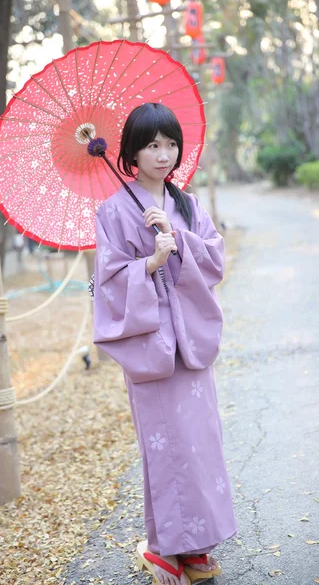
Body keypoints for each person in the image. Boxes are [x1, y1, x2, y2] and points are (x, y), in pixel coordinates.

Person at [93, 103, 237, 585]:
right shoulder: (113, 211)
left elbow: (215, 260)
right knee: (165, 447)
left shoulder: (189, 205)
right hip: (151, 344)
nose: (163, 154)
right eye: (152, 144)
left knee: (200, 442)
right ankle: (164, 548)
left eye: (170, 143)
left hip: (191, 342)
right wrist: (151, 262)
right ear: (131, 152)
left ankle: (197, 546)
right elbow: (108, 281)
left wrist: (177, 235)